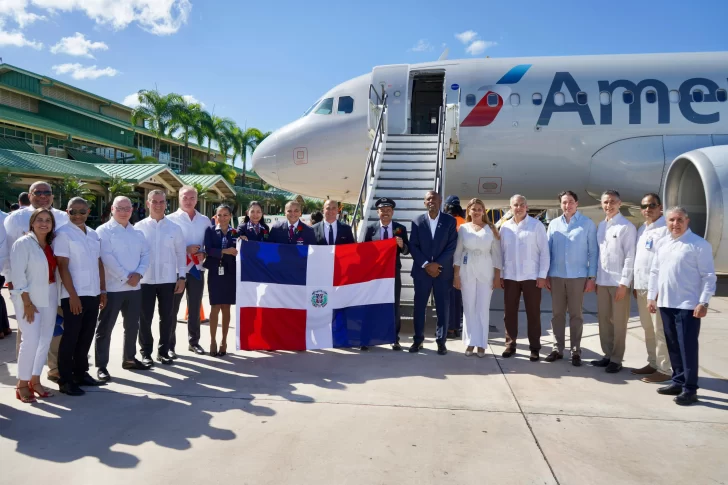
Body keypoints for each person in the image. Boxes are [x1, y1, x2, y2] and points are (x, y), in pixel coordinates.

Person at [647, 206, 716, 406]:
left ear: (687, 221)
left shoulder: (699, 244)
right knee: (673, 346)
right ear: (666, 222)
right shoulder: (663, 243)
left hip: (688, 305)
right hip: (666, 303)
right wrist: (652, 297)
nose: (675, 224)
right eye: (671, 220)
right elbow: (655, 271)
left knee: (688, 348)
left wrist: (703, 301)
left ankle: (690, 389)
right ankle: (677, 381)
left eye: (679, 220)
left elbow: (709, 277)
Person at [3, 181, 69, 383]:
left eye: (47, 192)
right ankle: (23, 379)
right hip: (27, 289)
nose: (43, 195)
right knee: (28, 337)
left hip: (53, 287)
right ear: (29, 195)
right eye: (37, 192)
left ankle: (50, 370)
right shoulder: (16, 218)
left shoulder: (62, 217)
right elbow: (7, 252)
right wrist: (11, 281)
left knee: (51, 334)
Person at [53, 198, 107, 396]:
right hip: (73, 295)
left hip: (92, 293)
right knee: (71, 338)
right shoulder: (63, 234)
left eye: (81, 212)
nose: (77, 215)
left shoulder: (93, 234)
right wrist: (73, 296)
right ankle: (66, 380)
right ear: (66, 211)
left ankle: (81, 373)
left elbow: (98, 263)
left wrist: (102, 290)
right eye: (73, 211)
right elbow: (62, 266)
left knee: (86, 336)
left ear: (88, 211)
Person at [95, 196, 151, 382]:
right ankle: (101, 366)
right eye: (120, 208)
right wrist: (126, 277)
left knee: (132, 326)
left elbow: (146, 255)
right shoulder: (103, 231)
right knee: (105, 328)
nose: (124, 211)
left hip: (135, 288)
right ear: (112, 209)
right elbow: (106, 257)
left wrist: (139, 274)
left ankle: (129, 358)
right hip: (113, 288)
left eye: (128, 208)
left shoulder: (137, 233)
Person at [545, 190, 597, 366]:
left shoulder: (587, 224)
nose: (568, 206)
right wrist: (545, 274)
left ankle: (576, 350)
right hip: (557, 276)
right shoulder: (553, 224)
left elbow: (593, 252)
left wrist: (592, 277)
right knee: (557, 315)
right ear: (560, 204)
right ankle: (557, 348)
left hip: (577, 276)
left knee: (576, 315)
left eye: (571, 202)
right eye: (564, 202)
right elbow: (547, 252)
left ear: (577, 204)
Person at [134, 190, 187, 366]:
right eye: (154, 201)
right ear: (148, 203)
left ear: (166, 204)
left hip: (168, 280)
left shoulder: (175, 228)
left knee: (167, 317)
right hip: (145, 280)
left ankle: (163, 351)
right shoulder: (138, 227)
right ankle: (146, 352)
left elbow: (181, 254)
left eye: (161, 202)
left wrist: (182, 277)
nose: (158, 205)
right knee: (145, 318)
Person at [11, 208, 58, 403]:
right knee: (30, 340)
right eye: (39, 220)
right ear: (32, 222)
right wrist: (27, 303)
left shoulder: (49, 244)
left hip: (50, 293)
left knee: (45, 339)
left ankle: (35, 379)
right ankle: (22, 384)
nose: (44, 223)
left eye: (48, 220)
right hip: (29, 298)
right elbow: (18, 275)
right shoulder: (22, 243)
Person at [591, 190, 637, 373]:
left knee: (619, 322)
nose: (608, 206)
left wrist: (624, 284)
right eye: (605, 202)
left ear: (620, 203)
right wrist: (594, 279)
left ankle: (617, 359)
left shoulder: (626, 227)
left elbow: (630, 257)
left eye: (612, 202)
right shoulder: (601, 226)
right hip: (602, 281)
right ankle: (607, 354)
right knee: (603, 321)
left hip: (618, 283)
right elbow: (599, 255)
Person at [499, 195, 550, 361]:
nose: (519, 208)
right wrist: (500, 275)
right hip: (510, 276)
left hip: (531, 276)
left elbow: (544, 253)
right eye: (515, 205)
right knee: (509, 313)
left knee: (533, 313)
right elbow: (501, 254)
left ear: (526, 207)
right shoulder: (505, 227)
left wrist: (542, 275)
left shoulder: (536, 226)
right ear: (510, 207)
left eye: (522, 205)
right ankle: (510, 344)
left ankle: (534, 348)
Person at [409, 191, 458, 355]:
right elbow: (413, 246)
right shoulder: (417, 221)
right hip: (421, 272)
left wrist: (437, 265)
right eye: (428, 199)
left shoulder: (449, 221)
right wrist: (426, 264)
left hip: (442, 272)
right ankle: (418, 340)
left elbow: (451, 246)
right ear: (424, 203)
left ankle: (441, 342)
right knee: (419, 307)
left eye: (434, 199)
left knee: (443, 308)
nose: (431, 202)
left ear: (440, 202)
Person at [453, 198, 502, 358]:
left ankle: (481, 344)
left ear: (483, 211)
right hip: (466, 272)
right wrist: (456, 276)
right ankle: (470, 342)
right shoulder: (463, 229)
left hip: (486, 272)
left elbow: (497, 255)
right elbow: (458, 253)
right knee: (468, 308)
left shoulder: (491, 229)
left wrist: (497, 276)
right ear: (468, 211)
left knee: (482, 308)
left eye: (480, 209)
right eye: (474, 209)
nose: (477, 211)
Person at [632, 193, 671, 382]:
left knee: (659, 330)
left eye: (652, 205)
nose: (648, 209)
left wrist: (658, 290)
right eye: (645, 206)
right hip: (641, 287)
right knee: (647, 328)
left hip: (656, 289)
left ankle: (664, 369)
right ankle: (653, 362)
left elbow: (665, 262)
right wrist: (635, 284)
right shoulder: (643, 229)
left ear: (660, 207)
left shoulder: (666, 229)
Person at [168, 186, 210, 356]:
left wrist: (204, 253)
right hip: (177, 271)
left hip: (197, 270)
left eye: (192, 198)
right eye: (185, 197)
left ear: (197, 199)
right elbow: (166, 245)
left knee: (194, 308)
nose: (188, 201)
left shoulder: (205, 220)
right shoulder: (170, 219)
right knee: (172, 310)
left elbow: (209, 244)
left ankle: (194, 342)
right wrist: (185, 249)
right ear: (179, 198)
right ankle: (169, 345)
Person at [364, 198, 409, 350]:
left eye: (388, 210)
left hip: (393, 273)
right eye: (382, 210)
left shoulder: (400, 229)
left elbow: (407, 250)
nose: (385, 213)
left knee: (394, 305)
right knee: (372, 304)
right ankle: (368, 337)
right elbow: (365, 252)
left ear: (392, 212)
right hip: (375, 274)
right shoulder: (371, 229)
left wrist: (402, 245)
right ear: (378, 212)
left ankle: (394, 338)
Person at [203, 204, 238, 357]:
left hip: (230, 273)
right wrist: (224, 251)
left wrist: (243, 241)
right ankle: (212, 341)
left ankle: (224, 341)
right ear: (215, 216)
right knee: (215, 307)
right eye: (219, 215)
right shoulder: (210, 231)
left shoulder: (236, 232)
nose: (222, 218)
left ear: (230, 216)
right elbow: (208, 250)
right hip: (215, 273)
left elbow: (240, 250)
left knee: (226, 308)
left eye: (225, 215)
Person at [444, 195, 466, 339]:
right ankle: (457, 326)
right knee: (459, 297)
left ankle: (451, 328)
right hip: (464, 264)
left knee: (449, 297)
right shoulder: (465, 222)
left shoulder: (446, 222)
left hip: (449, 263)